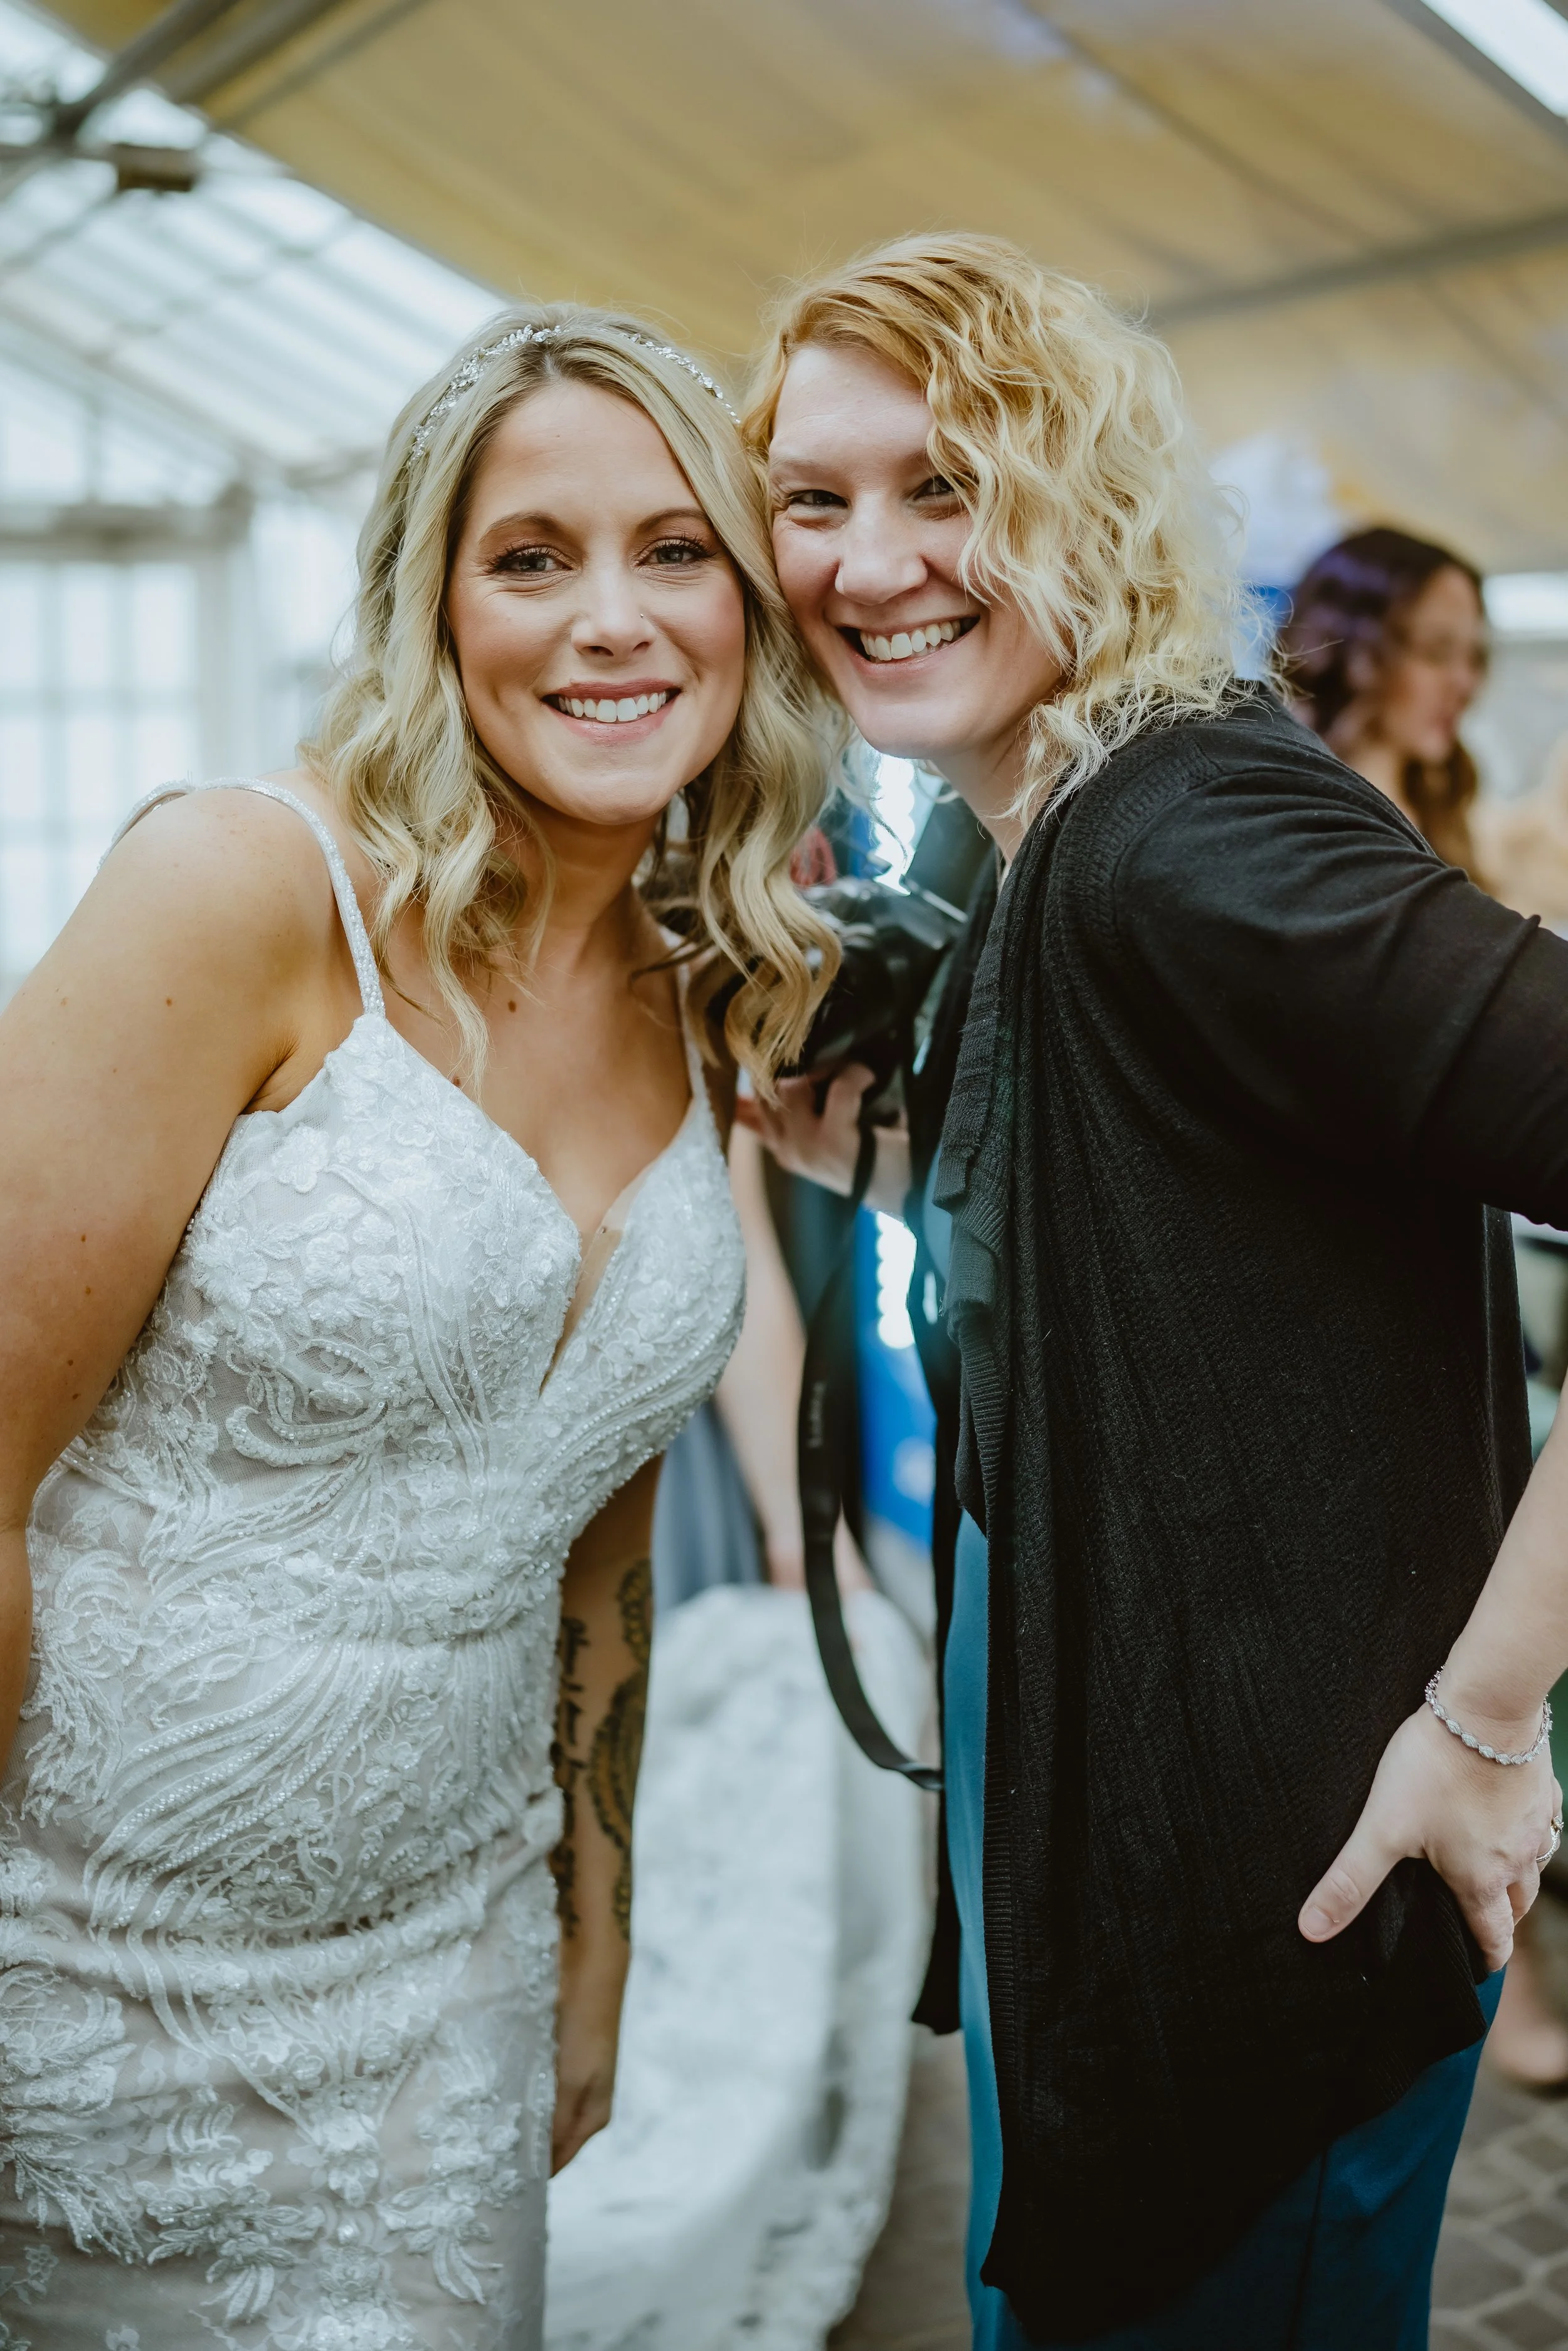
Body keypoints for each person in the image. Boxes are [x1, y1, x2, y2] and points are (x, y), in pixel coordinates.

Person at [739, 230, 1568, 2350]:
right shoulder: (1047, 830)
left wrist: (1489, 1717)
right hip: (1120, 1819)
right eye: (811, 498)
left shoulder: (1189, 827)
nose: (869, 557)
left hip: (1265, 1890)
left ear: (1085, 491)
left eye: (946, 483)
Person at [0, 304, 837, 2350]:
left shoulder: (695, 977)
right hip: (76, 1985)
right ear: (429, 604)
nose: (609, 620)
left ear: (750, 607)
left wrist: (597, 1930)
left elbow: (596, 1506)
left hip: (446, 2003)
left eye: (676, 551)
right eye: (529, 555)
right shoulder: (241, 890)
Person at [1287, 528, 1568, 2094]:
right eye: (1440, 643)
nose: (1463, 676)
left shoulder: (1457, 805)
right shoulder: (1299, 805)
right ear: (1364, 638)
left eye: (1479, 648)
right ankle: (1500, 1978)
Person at [1282, 525, 1491, 878]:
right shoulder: (1287, 806)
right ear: (1353, 652)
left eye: (1474, 658)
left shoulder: (1440, 803)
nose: (1466, 682)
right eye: (1437, 653)